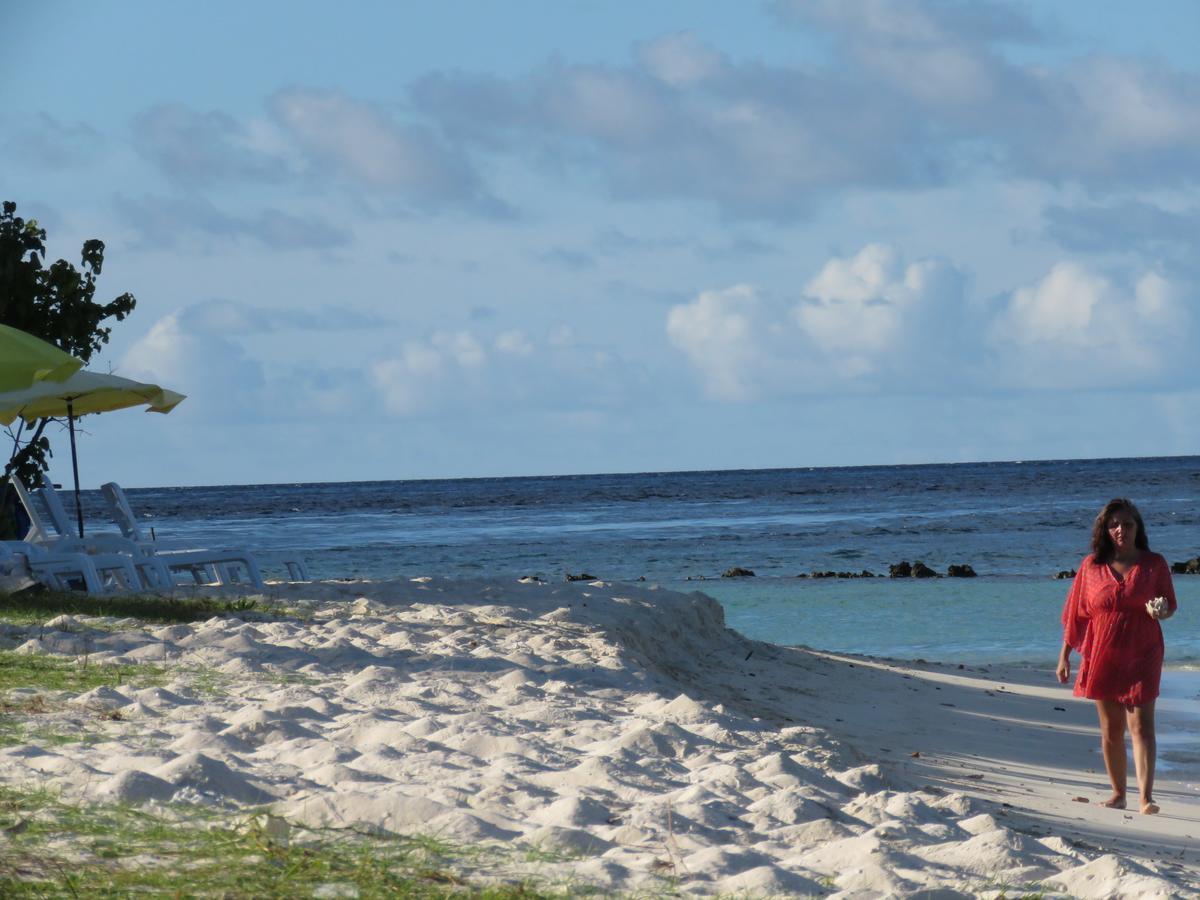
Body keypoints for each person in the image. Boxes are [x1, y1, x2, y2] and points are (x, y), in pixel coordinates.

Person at [1056, 498, 1176, 815]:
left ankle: (1145, 798)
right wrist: (1065, 655)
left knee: (1142, 728)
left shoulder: (1154, 564)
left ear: (1138, 528)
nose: (1121, 529)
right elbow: (1076, 614)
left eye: (1128, 524)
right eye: (1114, 525)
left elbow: (1170, 605)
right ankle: (1118, 793)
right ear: (1105, 530)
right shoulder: (1091, 566)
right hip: (1102, 653)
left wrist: (1161, 610)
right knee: (1111, 729)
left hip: (1144, 651)